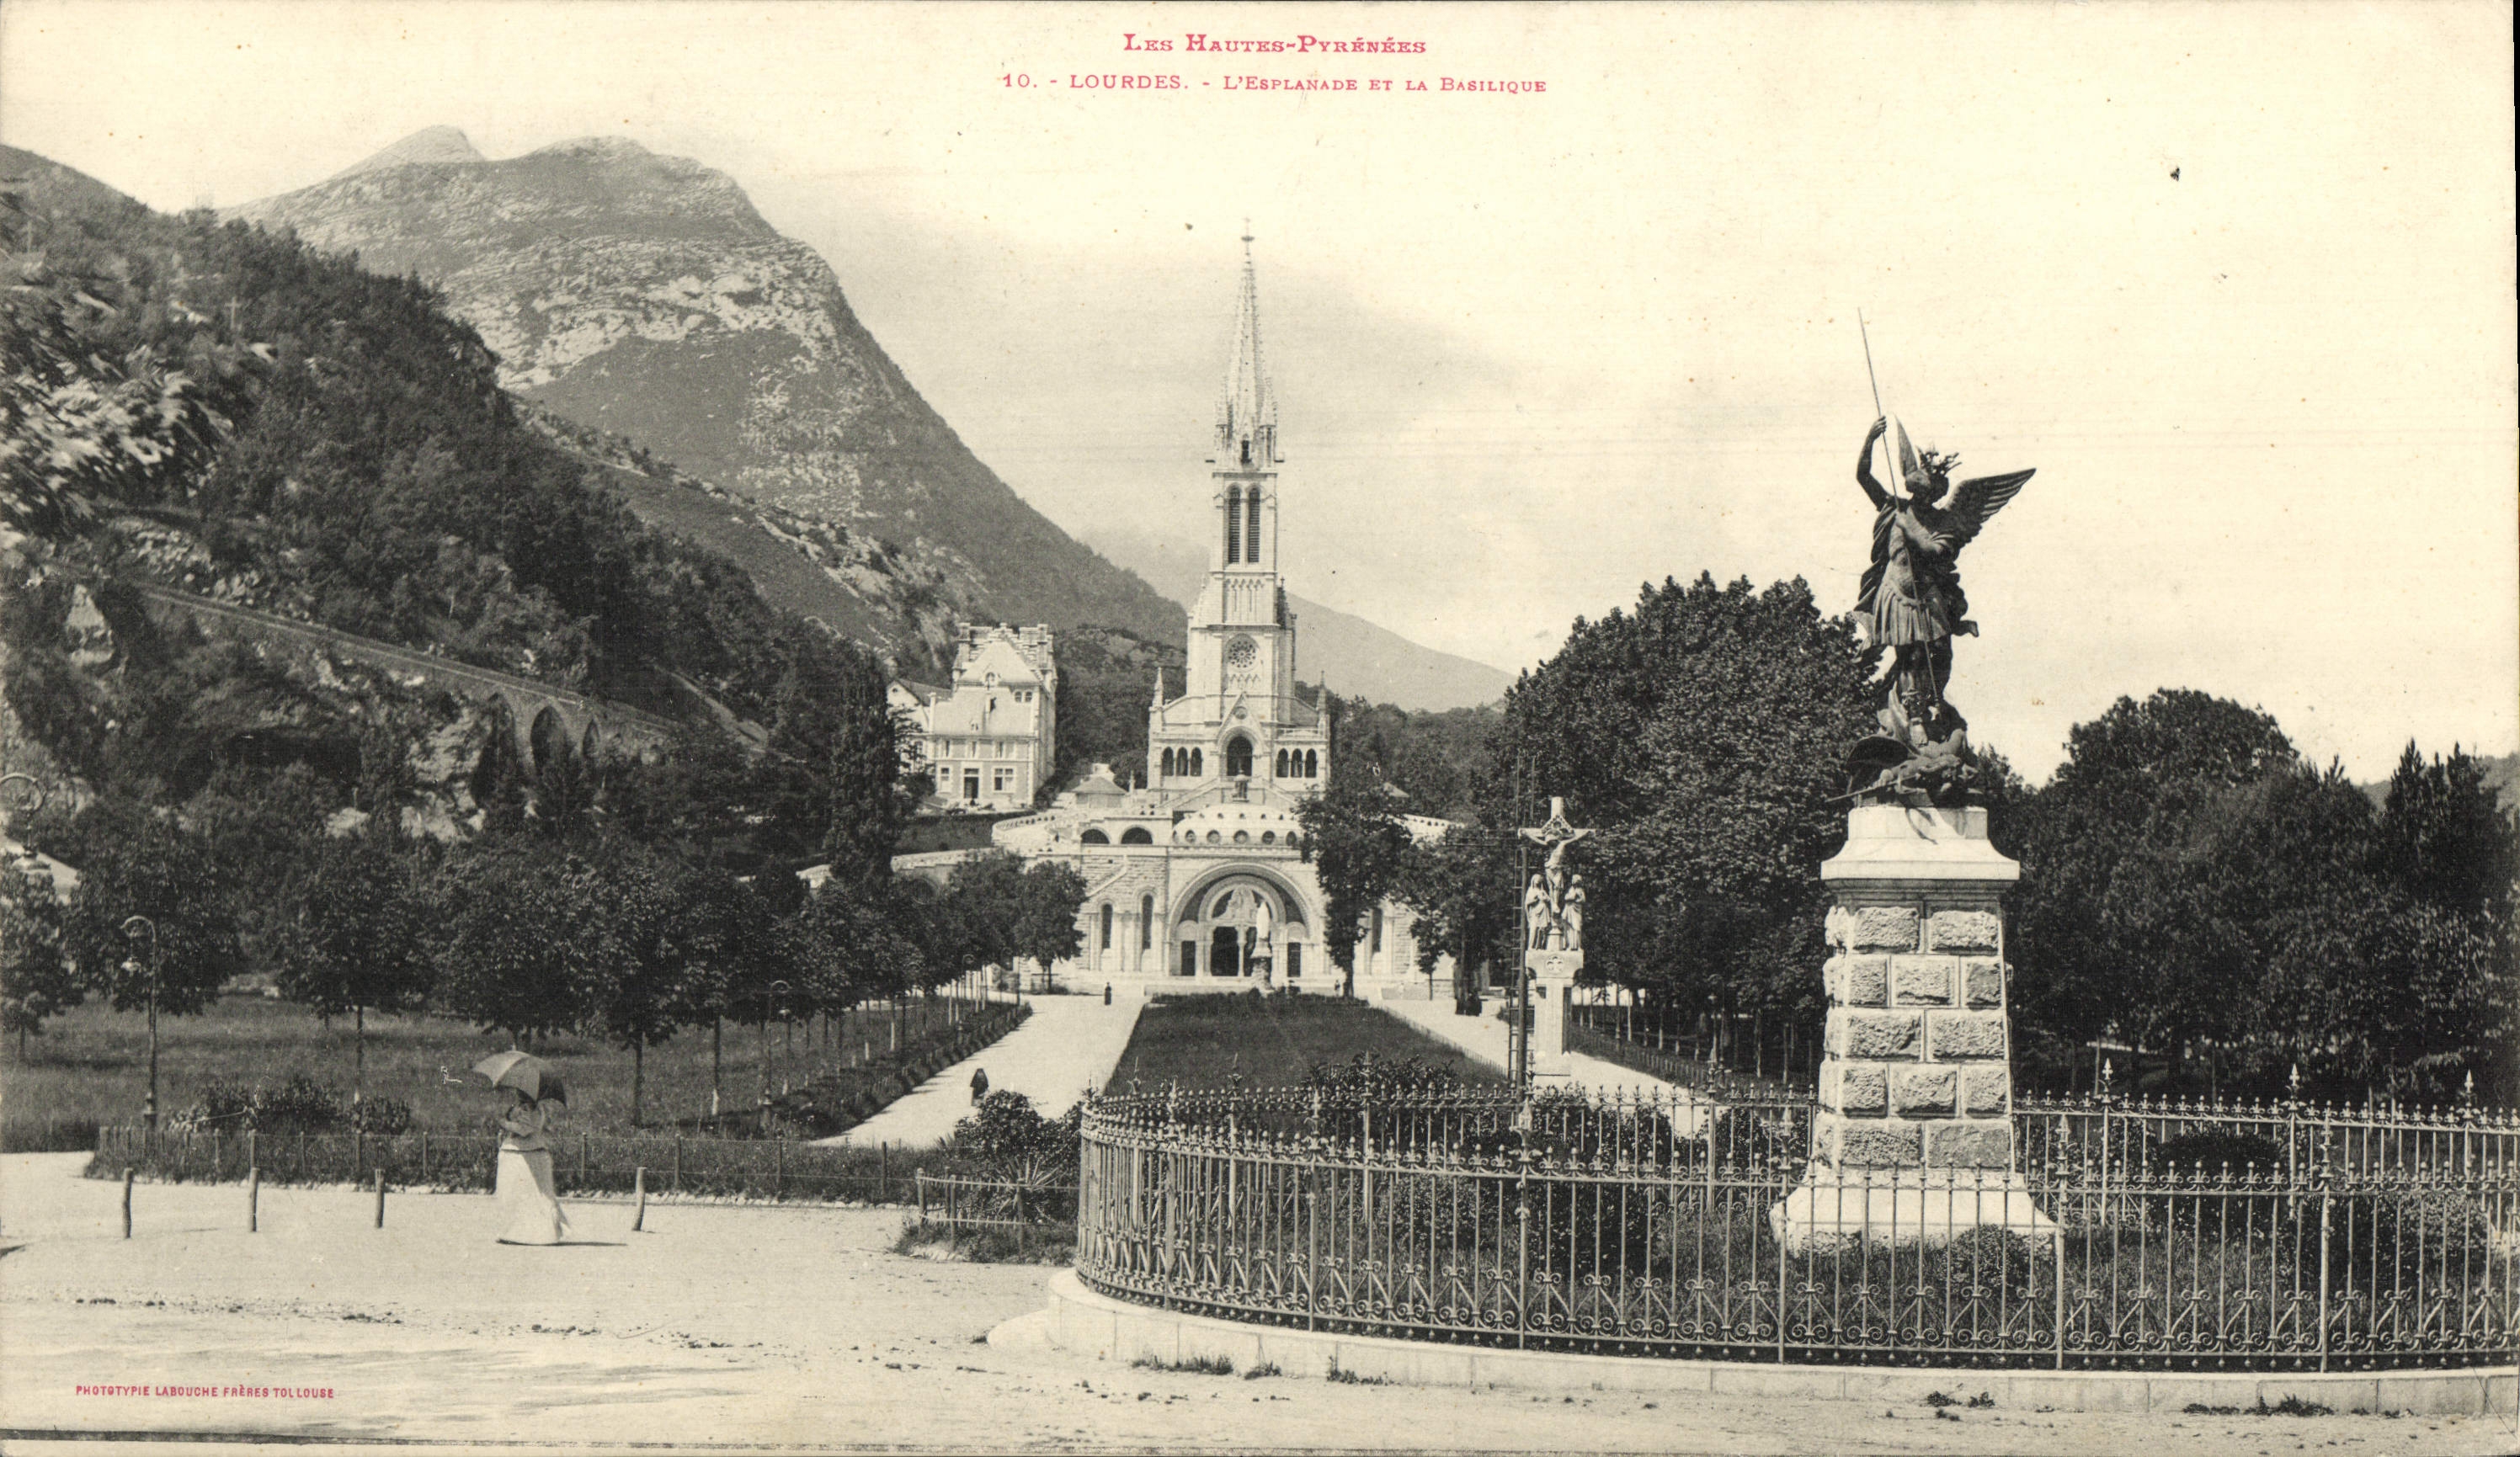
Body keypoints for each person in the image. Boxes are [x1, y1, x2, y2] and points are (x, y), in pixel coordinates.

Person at [494, 1087, 571, 1246]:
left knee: (536, 1195)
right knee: (515, 1195)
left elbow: (524, 1130)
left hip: (528, 1155)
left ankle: (540, 1234)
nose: (516, 1094)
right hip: (519, 1154)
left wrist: (504, 1123)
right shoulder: (525, 1108)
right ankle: (512, 1232)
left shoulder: (533, 1110)